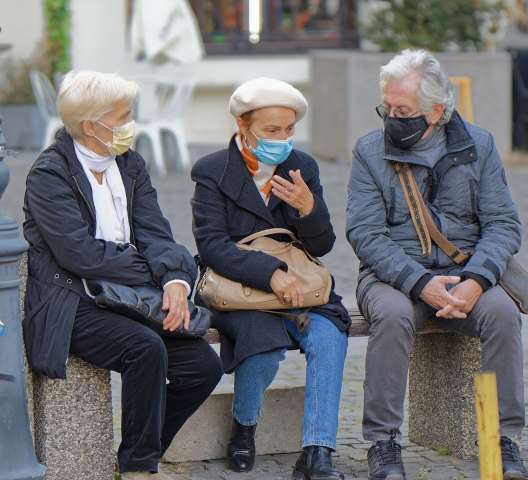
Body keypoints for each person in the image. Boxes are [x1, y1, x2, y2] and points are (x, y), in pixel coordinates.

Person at [23, 71, 222, 479]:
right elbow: (80, 255)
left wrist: (175, 282)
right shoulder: (49, 173)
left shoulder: (128, 163)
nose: (130, 125)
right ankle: (138, 468)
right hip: (70, 301)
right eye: (123, 116)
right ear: (90, 125)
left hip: (129, 296)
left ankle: (136, 453)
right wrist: (153, 271)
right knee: (145, 349)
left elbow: (156, 232)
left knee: (203, 366)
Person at [346, 50, 528, 480]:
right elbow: (365, 234)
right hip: (391, 277)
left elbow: (503, 224)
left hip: (465, 273)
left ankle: (499, 440)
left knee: (503, 314)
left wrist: (476, 282)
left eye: (403, 111)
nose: (392, 118)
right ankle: (383, 443)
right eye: (386, 108)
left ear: (437, 111)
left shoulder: (479, 146)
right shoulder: (370, 152)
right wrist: (420, 282)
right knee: (391, 317)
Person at [191, 77, 349, 480]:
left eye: (289, 130)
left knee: (329, 337)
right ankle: (244, 429)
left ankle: (317, 452)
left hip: (299, 290)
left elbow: (323, 244)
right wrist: (271, 274)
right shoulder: (212, 171)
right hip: (241, 291)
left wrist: (309, 209)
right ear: (244, 127)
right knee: (261, 343)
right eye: (272, 131)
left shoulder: (302, 167)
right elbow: (212, 246)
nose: (283, 138)